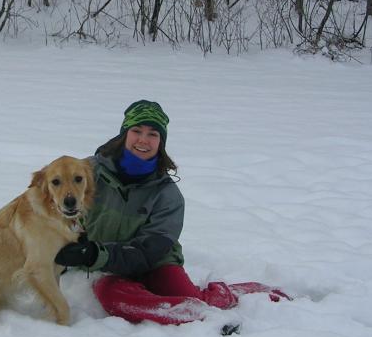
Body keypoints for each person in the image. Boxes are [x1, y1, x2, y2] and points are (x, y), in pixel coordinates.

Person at [54, 100, 289, 325]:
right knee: (113, 297)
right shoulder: (84, 172)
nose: (143, 140)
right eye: (137, 131)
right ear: (124, 133)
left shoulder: (168, 195)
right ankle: (197, 316)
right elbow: (49, 205)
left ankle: (220, 303)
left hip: (153, 262)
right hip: (107, 268)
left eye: (153, 134)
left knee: (193, 298)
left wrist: (95, 254)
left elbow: (150, 251)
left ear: (161, 142)